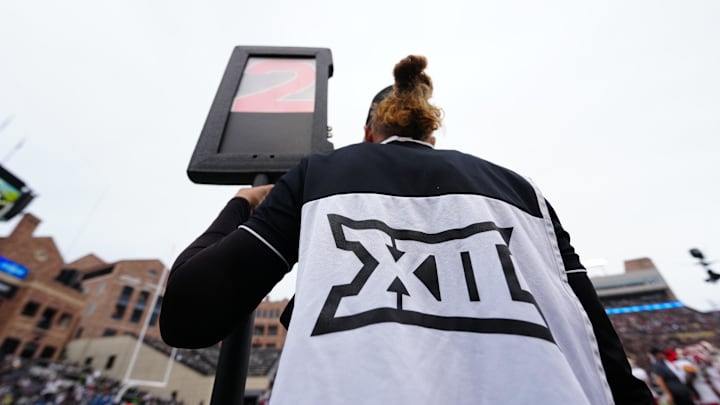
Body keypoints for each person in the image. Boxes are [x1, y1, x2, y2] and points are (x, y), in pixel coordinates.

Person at [160, 55, 654, 404]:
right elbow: (603, 351)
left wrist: (241, 203)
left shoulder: (319, 174)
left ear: (368, 133)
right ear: (431, 135)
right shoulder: (523, 192)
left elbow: (188, 316)